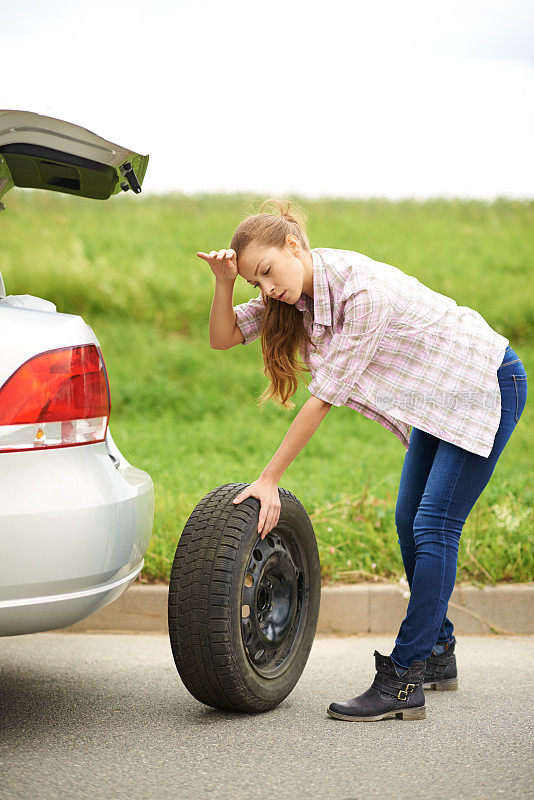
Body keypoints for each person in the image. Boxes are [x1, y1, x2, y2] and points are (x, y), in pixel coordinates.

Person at [196, 198, 528, 722]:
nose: (266, 289)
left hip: (482, 382)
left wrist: (269, 478)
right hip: (435, 400)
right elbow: (222, 337)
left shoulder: (360, 292)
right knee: (408, 521)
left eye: (266, 273)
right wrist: (222, 282)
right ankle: (438, 651)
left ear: (293, 245)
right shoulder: (296, 297)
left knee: (434, 525)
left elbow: (322, 398)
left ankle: (404, 681)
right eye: (254, 284)